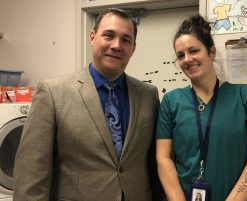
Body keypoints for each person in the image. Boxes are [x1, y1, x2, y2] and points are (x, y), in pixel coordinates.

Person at [13, 8, 164, 201]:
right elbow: (31, 171)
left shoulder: (148, 95)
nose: (116, 45)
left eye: (126, 40)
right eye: (109, 35)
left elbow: (153, 163)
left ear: (133, 48)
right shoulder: (52, 92)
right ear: (92, 37)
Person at [156, 13, 247, 201]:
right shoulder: (171, 102)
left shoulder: (243, 96)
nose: (187, 59)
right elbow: (163, 158)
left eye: (194, 51)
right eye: (180, 55)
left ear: (211, 52)